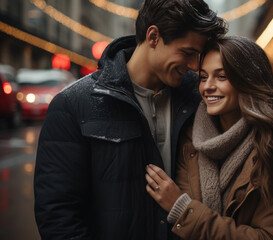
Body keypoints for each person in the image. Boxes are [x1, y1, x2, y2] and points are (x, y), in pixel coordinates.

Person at [33, 0, 227, 239]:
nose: (195, 66)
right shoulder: (73, 105)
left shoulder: (201, 100)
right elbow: (58, 216)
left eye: (199, 56)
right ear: (153, 36)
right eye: (187, 53)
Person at [145, 36, 273, 239]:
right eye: (203, 77)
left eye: (221, 77)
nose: (208, 87)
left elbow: (269, 237)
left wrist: (184, 211)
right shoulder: (190, 139)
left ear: (247, 81)